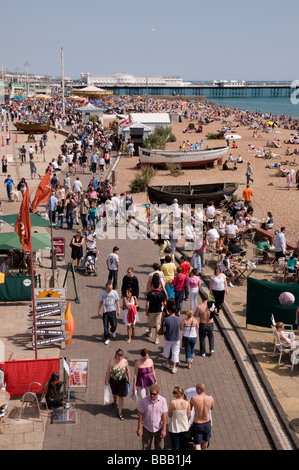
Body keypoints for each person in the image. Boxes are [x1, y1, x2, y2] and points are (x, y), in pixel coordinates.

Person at [137, 384, 168, 450]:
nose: (152, 395)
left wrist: (164, 429)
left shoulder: (163, 400)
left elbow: (164, 416)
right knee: (146, 447)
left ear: (158, 393)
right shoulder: (144, 400)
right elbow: (141, 415)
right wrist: (139, 428)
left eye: (154, 394)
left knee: (159, 447)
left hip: (159, 428)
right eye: (151, 393)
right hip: (147, 428)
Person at [105, 348, 130, 421]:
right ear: (116, 355)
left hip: (122, 381)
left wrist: (129, 378)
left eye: (121, 356)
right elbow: (108, 371)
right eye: (118, 356)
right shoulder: (112, 361)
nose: (120, 358)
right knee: (114, 393)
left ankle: (120, 412)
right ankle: (114, 401)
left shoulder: (125, 361)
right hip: (113, 380)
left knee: (121, 396)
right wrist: (106, 379)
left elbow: (127, 370)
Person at [190, 383, 214, 450]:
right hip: (207, 422)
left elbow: (190, 408)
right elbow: (211, 408)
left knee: (197, 443)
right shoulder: (210, 398)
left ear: (199, 390)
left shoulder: (194, 398)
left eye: (196, 389)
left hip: (198, 423)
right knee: (206, 441)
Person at [168, 386, 191, 450]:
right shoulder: (187, 403)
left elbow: (169, 414)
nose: (172, 394)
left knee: (175, 446)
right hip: (184, 427)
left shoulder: (173, 402)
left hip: (174, 427)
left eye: (174, 392)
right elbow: (189, 415)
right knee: (183, 446)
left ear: (177, 394)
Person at [145, 276, 166, 345]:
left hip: (151, 310)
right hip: (159, 311)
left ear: (152, 286)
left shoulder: (150, 294)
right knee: (157, 325)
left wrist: (146, 310)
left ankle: (150, 332)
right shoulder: (161, 294)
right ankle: (156, 338)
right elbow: (165, 302)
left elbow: (147, 303)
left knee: (150, 322)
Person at [162, 301, 181, 373]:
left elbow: (164, 330)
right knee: (175, 351)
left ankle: (166, 363)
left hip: (168, 338)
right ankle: (174, 367)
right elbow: (179, 327)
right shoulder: (178, 319)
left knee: (166, 350)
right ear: (176, 311)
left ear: (169, 311)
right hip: (176, 338)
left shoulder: (166, 319)